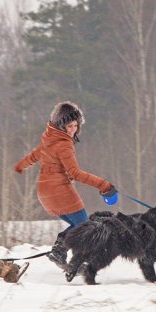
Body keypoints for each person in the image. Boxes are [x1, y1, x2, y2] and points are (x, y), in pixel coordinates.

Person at [14, 101, 117, 269]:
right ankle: (73, 259)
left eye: (75, 125)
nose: (73, 130)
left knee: (79, 226)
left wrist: (20, 166)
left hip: (45, 193)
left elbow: (34, 156)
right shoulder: (63, 144)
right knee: (85, 227)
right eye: (69, 125)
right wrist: (103, 185)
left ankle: (60, 250)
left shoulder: (49, 139)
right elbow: (74, 173)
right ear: (61, 125)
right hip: (60, 192)